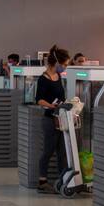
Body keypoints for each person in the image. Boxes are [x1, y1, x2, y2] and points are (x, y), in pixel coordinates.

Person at [34, 45, 71, 193]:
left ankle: (63, 180)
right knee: (48, 151)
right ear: (57, 63)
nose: (65, 67)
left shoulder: (59, 77)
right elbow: (39, 99)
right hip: (50, 120)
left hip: (61, 119)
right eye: (64, 64)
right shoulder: (43, 79)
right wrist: (51, 106)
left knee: (62, 151)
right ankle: (42, 181)